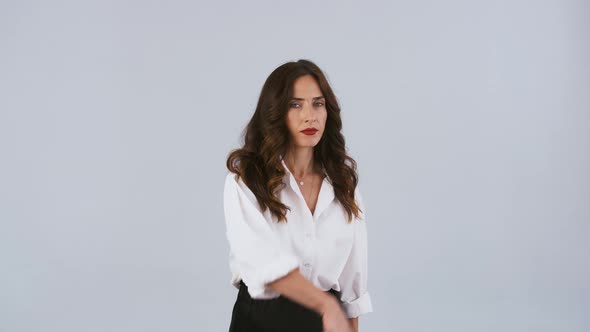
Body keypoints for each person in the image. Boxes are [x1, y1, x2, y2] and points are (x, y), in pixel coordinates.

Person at [223, 59, 373, 332]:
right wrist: (326, 306)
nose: (310, 115)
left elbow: (353, 289)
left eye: (318, 104)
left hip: (324, 324)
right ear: (276, 112)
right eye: (295, 104)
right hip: (261, 321)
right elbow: (260, 262)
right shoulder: (247, 179)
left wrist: (341, 318)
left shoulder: (343, 185)